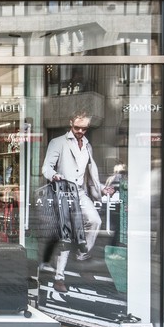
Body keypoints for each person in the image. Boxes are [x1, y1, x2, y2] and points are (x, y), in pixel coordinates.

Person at [40, 111, 114, 294]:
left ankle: (81, 256)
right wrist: (54, 175)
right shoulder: (58, 142)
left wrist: (102, 189)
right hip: (63, 192)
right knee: (66, 233)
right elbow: (46, 167)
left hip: (80, 192)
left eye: (84, 129)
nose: (80, 131)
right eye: (77, 127)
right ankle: (59, 277)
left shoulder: (87, 146)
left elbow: (90, 175)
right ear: (71, 123)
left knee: (95, 221)